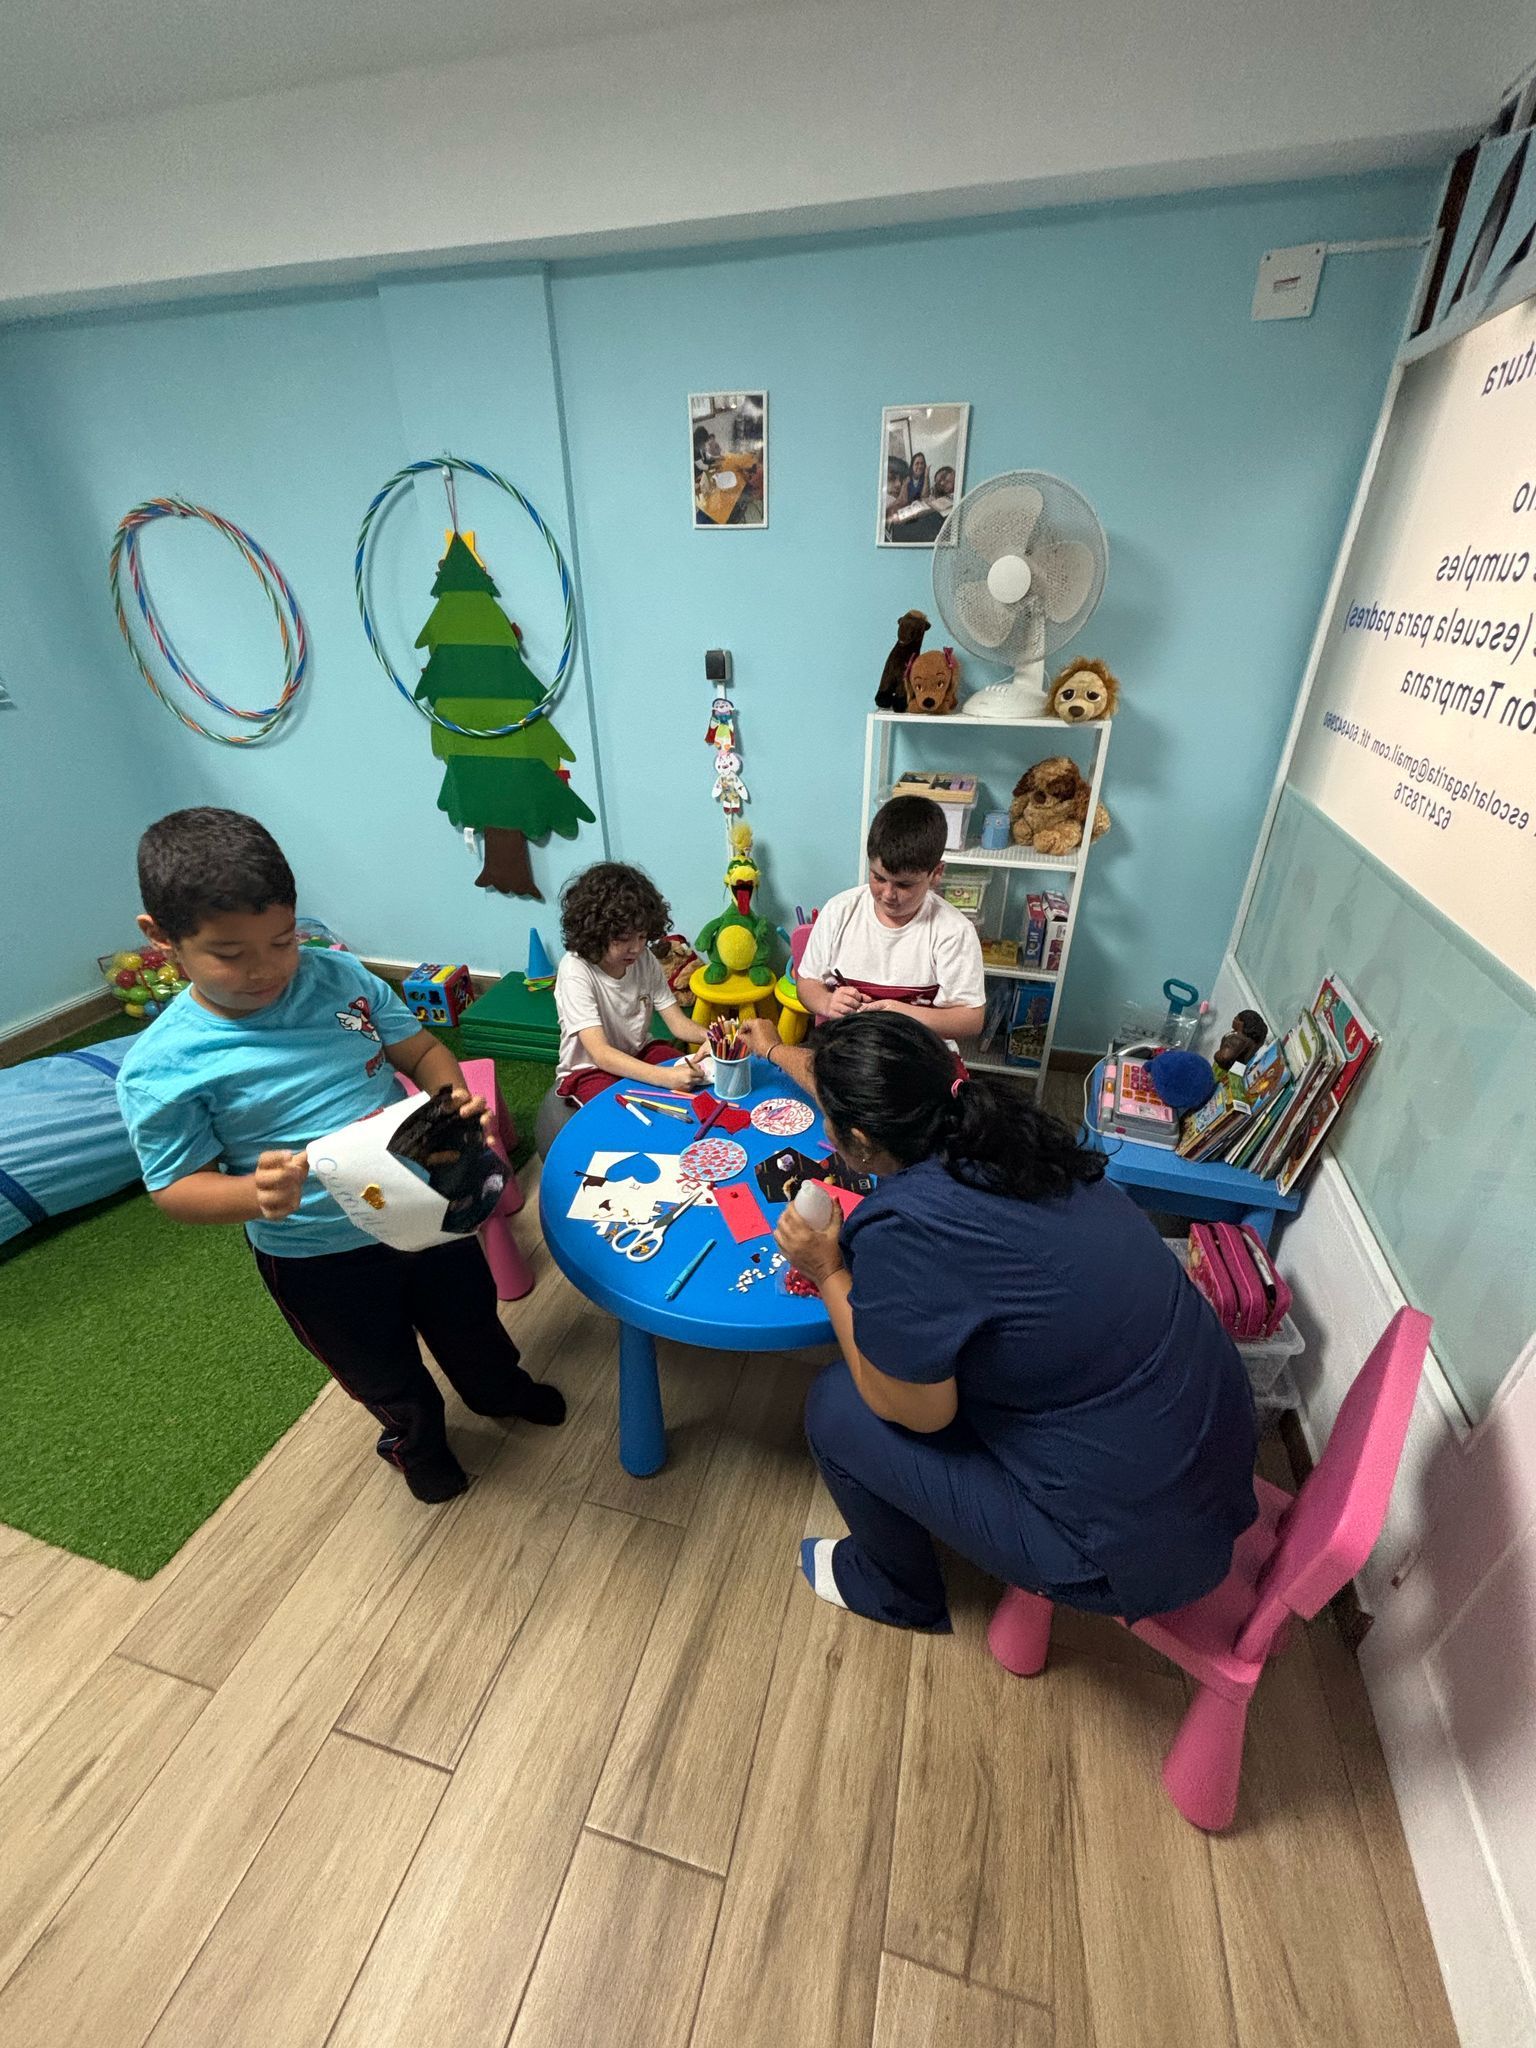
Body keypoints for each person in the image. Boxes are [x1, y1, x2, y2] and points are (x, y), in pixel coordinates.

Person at [115, 808, 564, 1504]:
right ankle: (418, 1444)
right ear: (161, 939)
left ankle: (500, 1390)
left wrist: (451, 1100)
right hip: (315, 1255)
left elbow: (418, 1050)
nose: (266, 968)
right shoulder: (163, 1065)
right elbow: (175, 1188)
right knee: (381, 1369)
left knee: (471, 1319)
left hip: (422, 1206)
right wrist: (252, 1194)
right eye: (229, 954)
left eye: (283, 939)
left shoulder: (339, 978)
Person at [770, 1011, 1259, 1631]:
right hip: (1211, 1468)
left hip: (1132, 1550)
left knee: (839, 1403)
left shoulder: (905, 1226)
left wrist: (827, 1269)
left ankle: (899, 1591)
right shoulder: (1019, 1139)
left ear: (860, 1141)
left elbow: (918, 1411)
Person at [790, 795, 985, 1052]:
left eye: (904, 884)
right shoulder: (840, 911)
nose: (888, 894)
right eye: (878, 878)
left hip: (918, 1055)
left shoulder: (953, 931)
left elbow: (971, 1020)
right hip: (847, 1053)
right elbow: (807, 983)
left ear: (936, 873)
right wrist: (827, 1003)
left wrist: (899, 1014)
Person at [554, 862, 711, 1104]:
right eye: (624, 938)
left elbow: (678, 1024)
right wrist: (664, 1077)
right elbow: (601, 1053)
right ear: (596, 931)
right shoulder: (575, 969)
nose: (637, 948)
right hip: (590, 1069)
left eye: (642, 936)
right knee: (616, 1106)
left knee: (688, 1070)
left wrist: (714, 1037)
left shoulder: (644, 958)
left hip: (640, 1052)